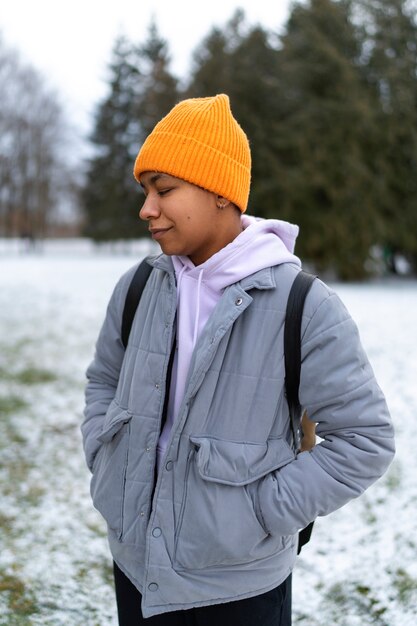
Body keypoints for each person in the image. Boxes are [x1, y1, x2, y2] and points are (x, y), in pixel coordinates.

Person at [81, 94, 395, 625]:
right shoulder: (138, 287)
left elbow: (365, 440)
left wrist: (259, 514)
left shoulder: (304, 305)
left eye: (164, 190)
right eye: (145, 191)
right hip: (136, 569)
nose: (146, 209)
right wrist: (104, 456)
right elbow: (103, 382)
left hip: (238, 590)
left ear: (219, 193)